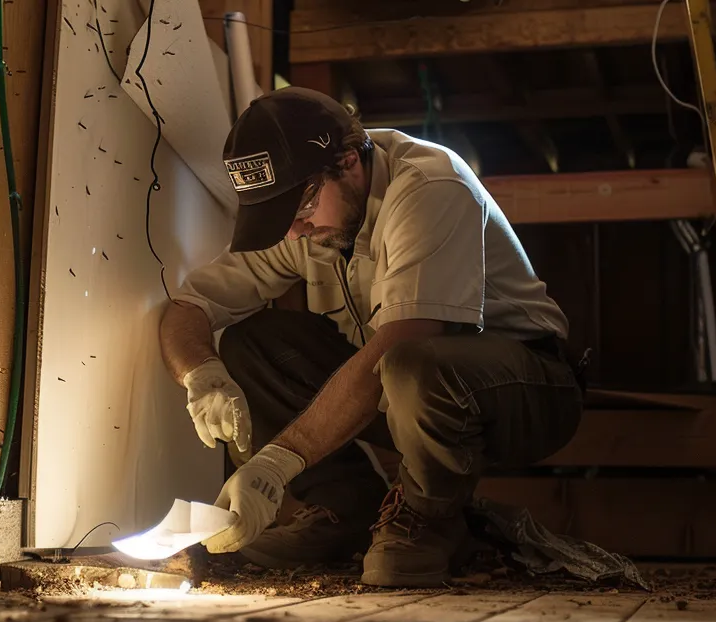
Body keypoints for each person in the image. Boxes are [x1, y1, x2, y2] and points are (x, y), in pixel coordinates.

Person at [159, 87, 585, 587]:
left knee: (410, 364)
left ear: (347, 162)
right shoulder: (309, 223)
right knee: (248, 345)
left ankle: (429, 519)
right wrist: (200, 375)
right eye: (280, 218)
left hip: (526, 390)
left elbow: (400, 344)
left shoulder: (430, 187)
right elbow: (189, 308)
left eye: (301, 208)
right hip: (407, 390)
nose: (294, 232)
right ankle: (346, 512)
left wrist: (274, 464)